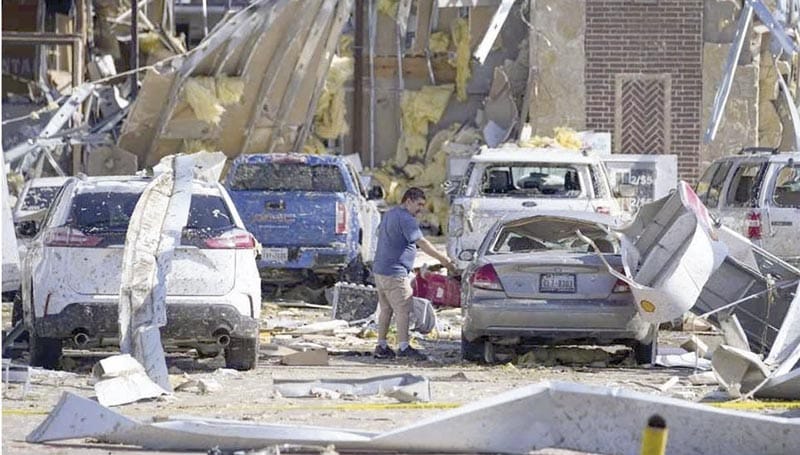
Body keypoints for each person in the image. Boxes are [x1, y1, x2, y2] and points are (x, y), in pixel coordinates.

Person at [372, 187, 455, 361]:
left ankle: (381, 346)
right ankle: (403, 347)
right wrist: (445, 260)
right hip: (395, 272)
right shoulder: (406, 219)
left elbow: (380, 234)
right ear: (408, 201)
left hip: (380, 270)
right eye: (419, 204)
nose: (421, 209)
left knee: (386, 309)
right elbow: (422, 243)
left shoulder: (390, 213)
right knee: (404, 309)